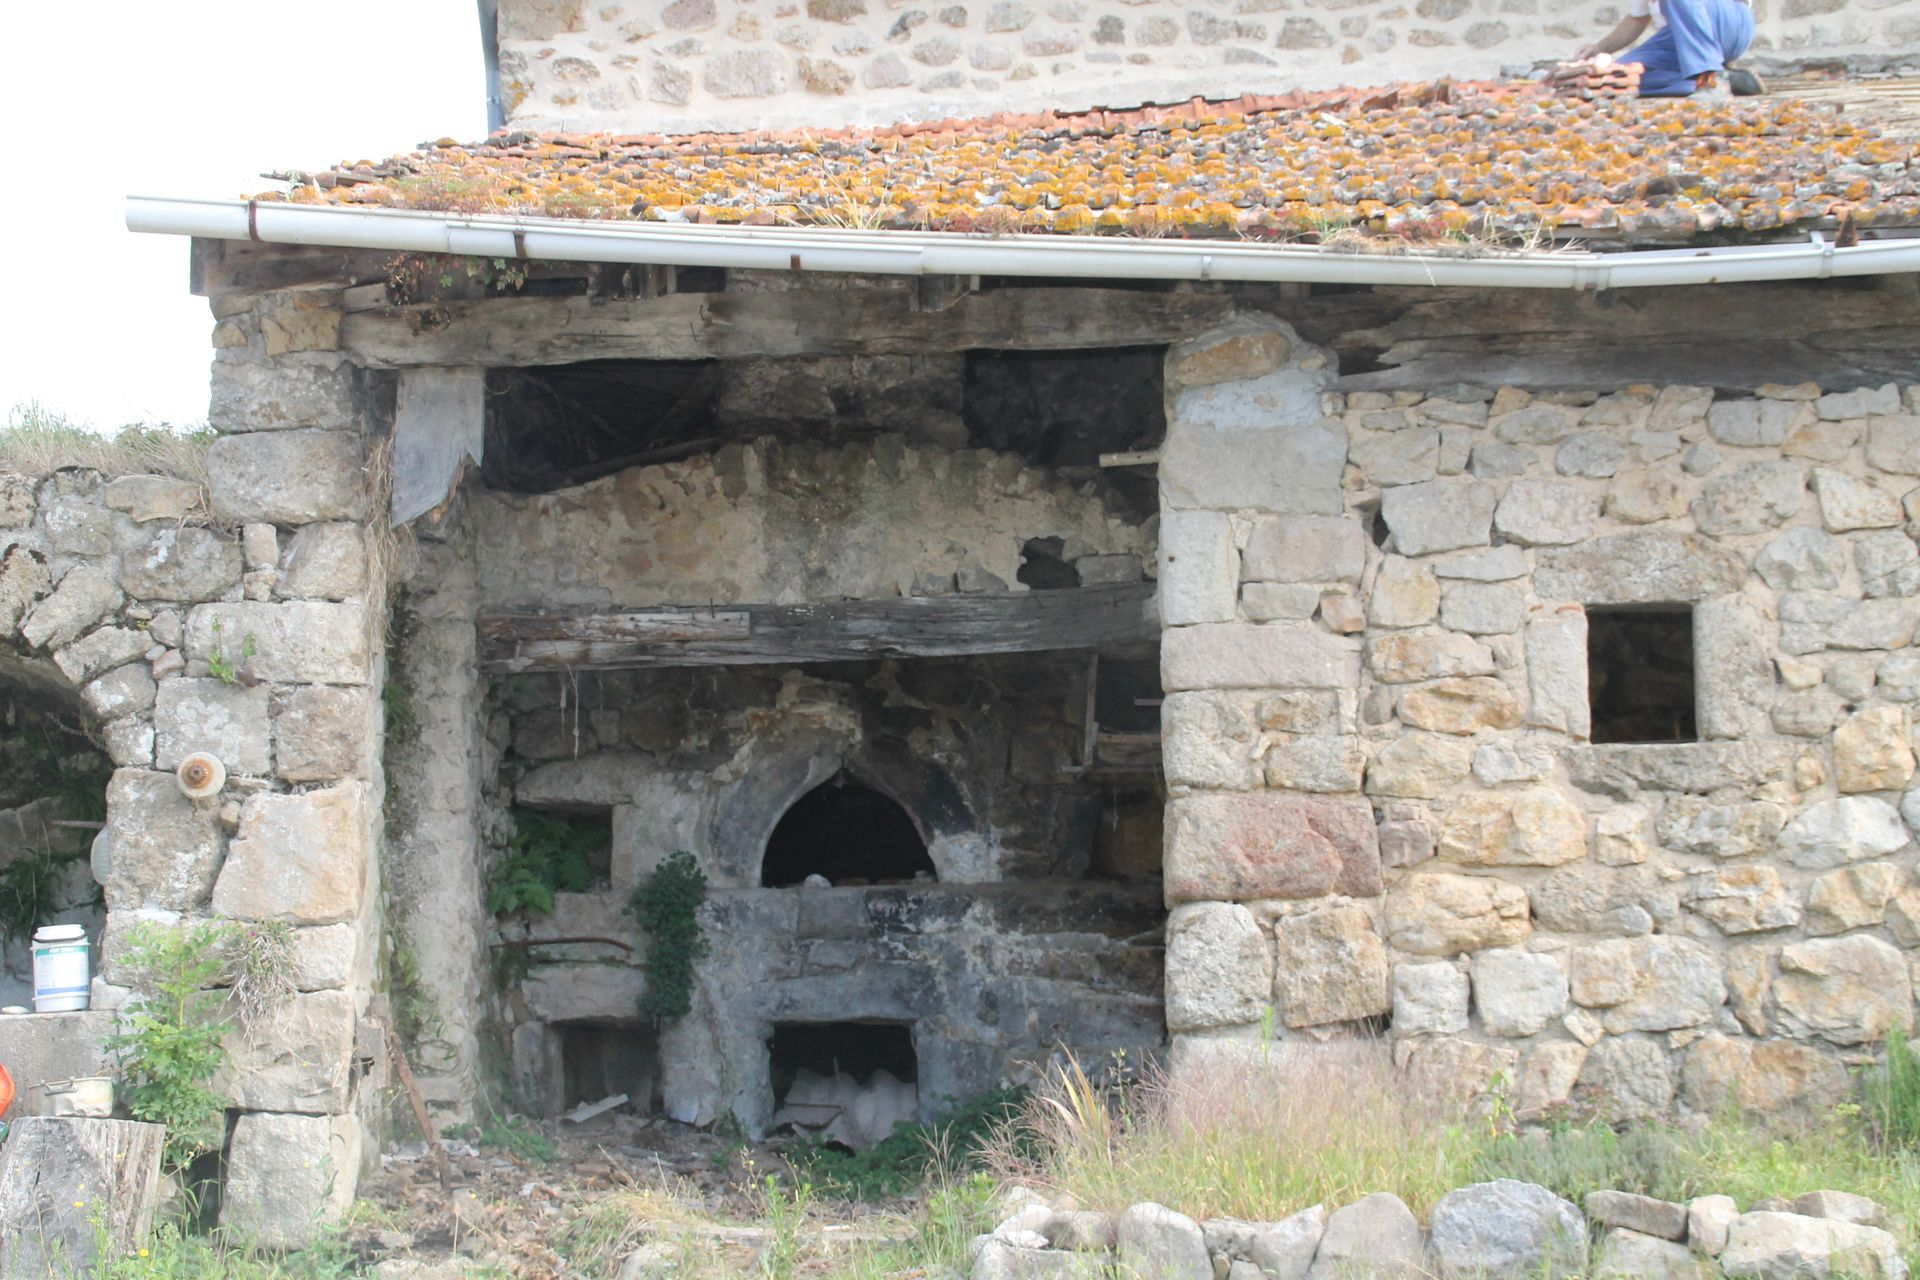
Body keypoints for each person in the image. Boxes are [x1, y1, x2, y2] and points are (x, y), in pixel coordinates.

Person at [1574, 0, 1762, 97]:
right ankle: (1726, 80)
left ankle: (1707, 77)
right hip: (1676, 37)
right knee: (1616, 78)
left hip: (1728, 21)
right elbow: (1636, 19)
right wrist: (1599, 48)